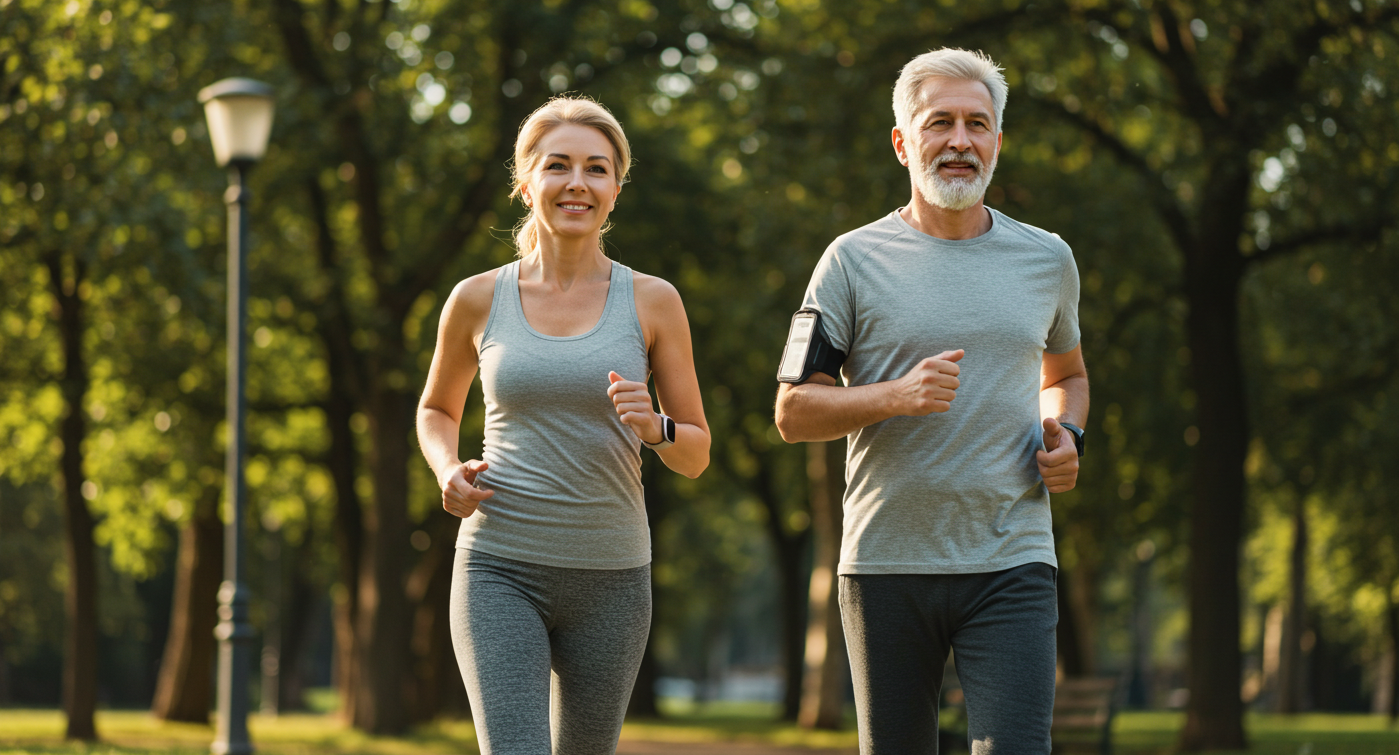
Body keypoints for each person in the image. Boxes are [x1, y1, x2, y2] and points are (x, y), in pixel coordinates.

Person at [774, 48, 1089, 754]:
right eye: (938, 122)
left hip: (1011, 556)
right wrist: (894, 394)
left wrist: (1065, 430)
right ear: (902, 141)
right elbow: (793, 410)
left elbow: (1066, 371)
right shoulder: (849, 261)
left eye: (977, 124)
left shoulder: (1047, 258)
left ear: (997, 141)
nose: (958, 140)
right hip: (886, 562)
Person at [416, 96, 709, 755]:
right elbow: (436, 408)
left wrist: (656, 425)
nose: (577, 182)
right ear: (526, 183)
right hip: (499, 565)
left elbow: (695, 452)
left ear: (614, 190)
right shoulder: (476, 298)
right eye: (557, 165)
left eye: (596, 169)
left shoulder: (652, 301)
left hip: (612, 576)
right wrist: (446, 468)